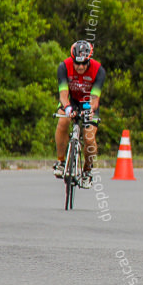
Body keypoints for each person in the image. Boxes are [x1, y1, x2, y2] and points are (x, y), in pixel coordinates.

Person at [54, 41, 104, 188]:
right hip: (71, 101)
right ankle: (61, 162)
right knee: (63, 121)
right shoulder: (64, 67)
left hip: (89, 103)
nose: (80, 67)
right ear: (72, 59)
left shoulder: (98, 70)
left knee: (89, 138)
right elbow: (63, 95)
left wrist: (90, 111)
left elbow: (95, 98)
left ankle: (87, 170)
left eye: (84, 63)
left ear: (89, 60)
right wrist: (68, 108)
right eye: (77, 63)